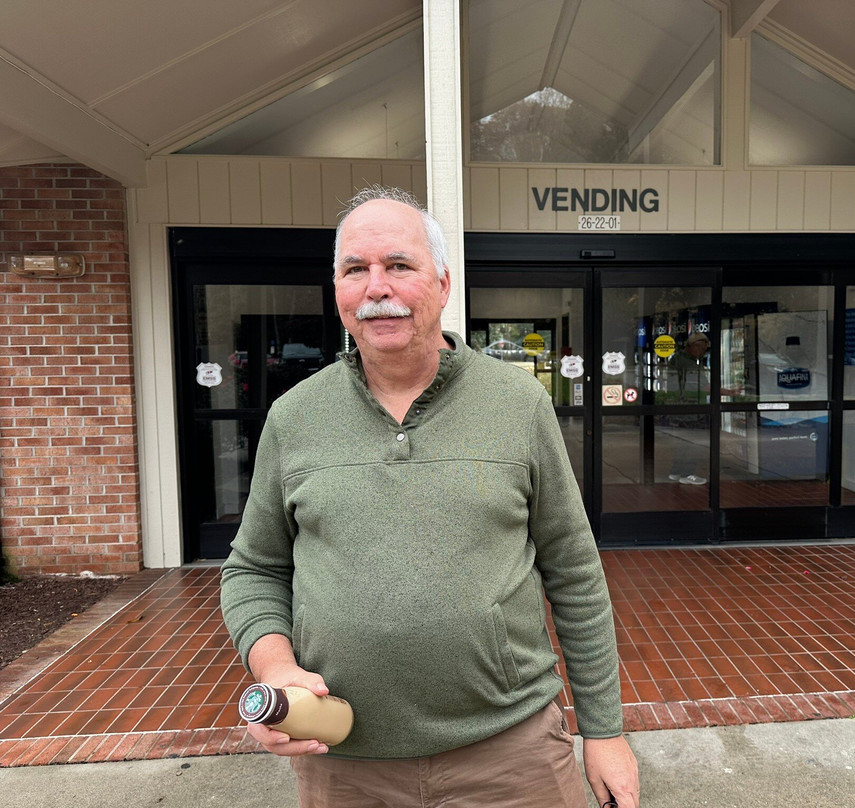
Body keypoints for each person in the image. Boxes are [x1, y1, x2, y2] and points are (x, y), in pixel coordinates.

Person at [219, 185, 639, 808]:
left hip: (510, 753)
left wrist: (604, 732)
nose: (376, 287)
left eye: (398, 265)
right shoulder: (294, 417)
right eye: (355, 269)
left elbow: (574, 572)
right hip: (343, 757)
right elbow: (253, 569)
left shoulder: (517, 405)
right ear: (337, 291)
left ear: (443, 284)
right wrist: (275, 670)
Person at [666, 331, 711, 485]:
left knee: (682, 443)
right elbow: (704, 387)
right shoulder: (690, 364)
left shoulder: (676, 359)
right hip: (692, 410)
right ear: (694, 346)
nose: (703, 352)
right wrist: (728, 391)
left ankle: (675, 471)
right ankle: (687, 474)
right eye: (702, 349)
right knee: (694, 443)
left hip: (678, 408)